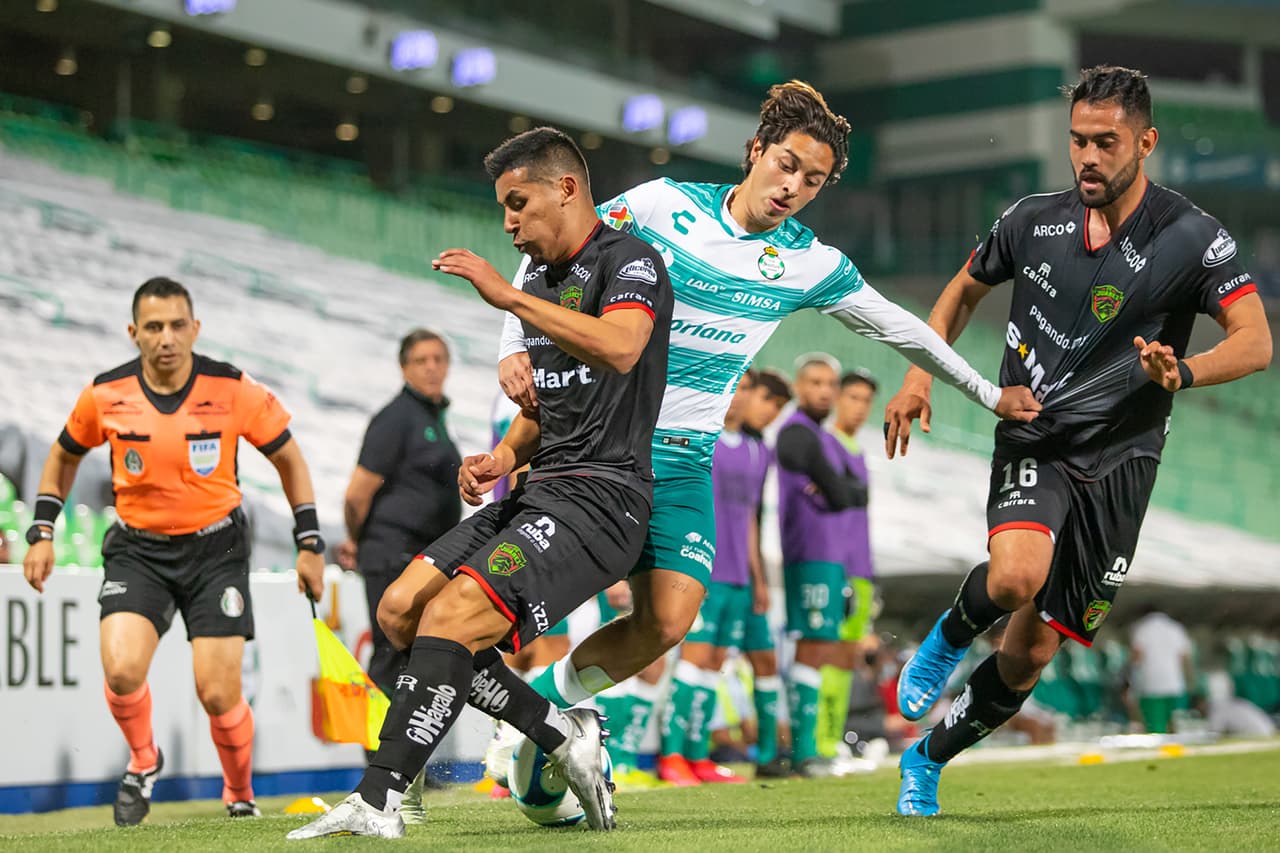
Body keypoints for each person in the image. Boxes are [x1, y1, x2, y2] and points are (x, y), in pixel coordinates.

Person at [489, 81, 1041, 755]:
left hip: (688, 457)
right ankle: (439, 719)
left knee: (667, 621)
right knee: (509, 597)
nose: (793, 186)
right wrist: (513, 346)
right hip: (601, 442)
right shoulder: (664, 205)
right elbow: (555, 233)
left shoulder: (808, 263)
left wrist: (987, 391)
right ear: (756, 150)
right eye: (786, 164)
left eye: (813, 180)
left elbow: (901, 328)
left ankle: (541, 704)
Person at [890, 65, 1271, 816]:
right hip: (1036, 433)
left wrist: (1184, 373)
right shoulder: (1031, 219)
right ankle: (949, 632)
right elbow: (963, 288)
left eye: (1107, 142)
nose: (1088, 157)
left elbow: (1255, 341)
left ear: (1146, 142)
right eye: (1078, 141)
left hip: (1125, 462)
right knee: (1014, 577)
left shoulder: (1193, 237)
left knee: (1030, 652)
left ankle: (927, 757)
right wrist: (919, 376)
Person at [288, 126, 673, 839]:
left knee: (451, 619)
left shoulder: (630, 261)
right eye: (503, 208)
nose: (508, 223)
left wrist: (505, 297)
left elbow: (622, 347)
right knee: (402, 611)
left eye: (517, 203)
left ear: (566, 188)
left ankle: (381, 795)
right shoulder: (543, 282)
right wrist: (501, 455)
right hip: (541, 487)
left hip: (603, 500)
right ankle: (561, 734)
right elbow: (550, 405)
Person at [21, 277, 326, 826]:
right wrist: (42, 530)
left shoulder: (231, 388)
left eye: (177, 325)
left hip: (217, 551)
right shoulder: (105, 393)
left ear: (196, 329)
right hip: (138, 550)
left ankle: (239, 793)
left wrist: (309, 543)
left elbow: (289, 458)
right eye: (154, 327)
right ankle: (144, 760)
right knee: (120, 671)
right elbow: (63, 455)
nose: (167, 337)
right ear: (134, 333)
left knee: (216, 692)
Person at [657, 368, 790, 786]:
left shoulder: (758, 450)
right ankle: (672, 756)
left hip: (738, 574)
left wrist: (760, 578)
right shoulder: (701, 437)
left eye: (744, 388)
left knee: (714, 664)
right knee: (694, 659)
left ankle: (698, 756)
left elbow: (750, 517)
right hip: (701, 565)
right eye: (732, 386)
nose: (737, 396)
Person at [338, 329, 461, 697]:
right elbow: (356, 494)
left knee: (414, 655)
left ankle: (403, 747)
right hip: (393, 551)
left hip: (421, 554)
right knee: (392, 652)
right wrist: (358, 539)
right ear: (403, 367)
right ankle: (379, 751)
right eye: (421, 361)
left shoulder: (431, 417)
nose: (431, 368)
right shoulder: (396, 417)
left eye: (439, 359)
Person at [775, 356, 873, 776]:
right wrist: (838, 486)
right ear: (799, 386)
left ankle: (811, 748)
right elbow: (840, 493)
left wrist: (839, 487)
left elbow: (853, 493)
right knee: (813, 648)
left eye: (830, 383)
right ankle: (804, 750)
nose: (824, 391)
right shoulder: (797, 434)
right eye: (815, 382)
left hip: (829, 557)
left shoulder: (817, 437)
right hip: (809, 552)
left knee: (822, 648)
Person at [818, 368, 879, 764]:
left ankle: (834, 738)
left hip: (862, 568)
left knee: (847, 656)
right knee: (827, 653)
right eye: (853, 397)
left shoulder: (858, 450)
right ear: (838, 398)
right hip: (836, 566)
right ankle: (820, 742)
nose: (859, 407)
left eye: (866, 401)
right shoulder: (824, 444)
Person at [1128, 605, 1193, 733]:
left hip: (1151, 682)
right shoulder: (1176, 628)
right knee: (1174, 722)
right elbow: (1184, 657)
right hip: (1174, 682)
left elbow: (1137, 656)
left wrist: (1129, 675)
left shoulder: (1142, 628)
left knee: (1155, 723)